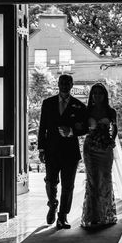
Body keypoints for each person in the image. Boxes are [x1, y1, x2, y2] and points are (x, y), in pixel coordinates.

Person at [38, 74, 87, 229]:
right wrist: (41, 148)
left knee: (68, 185)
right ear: (57, 84)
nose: (65, 85)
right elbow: (42, 127)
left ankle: (63, 216)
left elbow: (85, 128)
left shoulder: (79, 105)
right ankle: (52, 204)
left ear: (72, 85)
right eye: (62, 83)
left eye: (68, 83)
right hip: (51, 150)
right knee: (50, 181)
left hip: (70, 152)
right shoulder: (48, 103)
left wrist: (72, 131)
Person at [81, 83, 118, 228]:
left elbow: (115, 128)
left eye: (100, 93)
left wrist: (111, 141)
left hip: (105, 149)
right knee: (93, 180)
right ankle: (93, 216)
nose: (97, 96)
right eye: (94, 93)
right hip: (90, 148)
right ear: (91, 96)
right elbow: (82, 128)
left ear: (105, 95)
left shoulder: (111, 111)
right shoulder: (87, 111)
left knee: (105, 179)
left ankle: (106, 214)